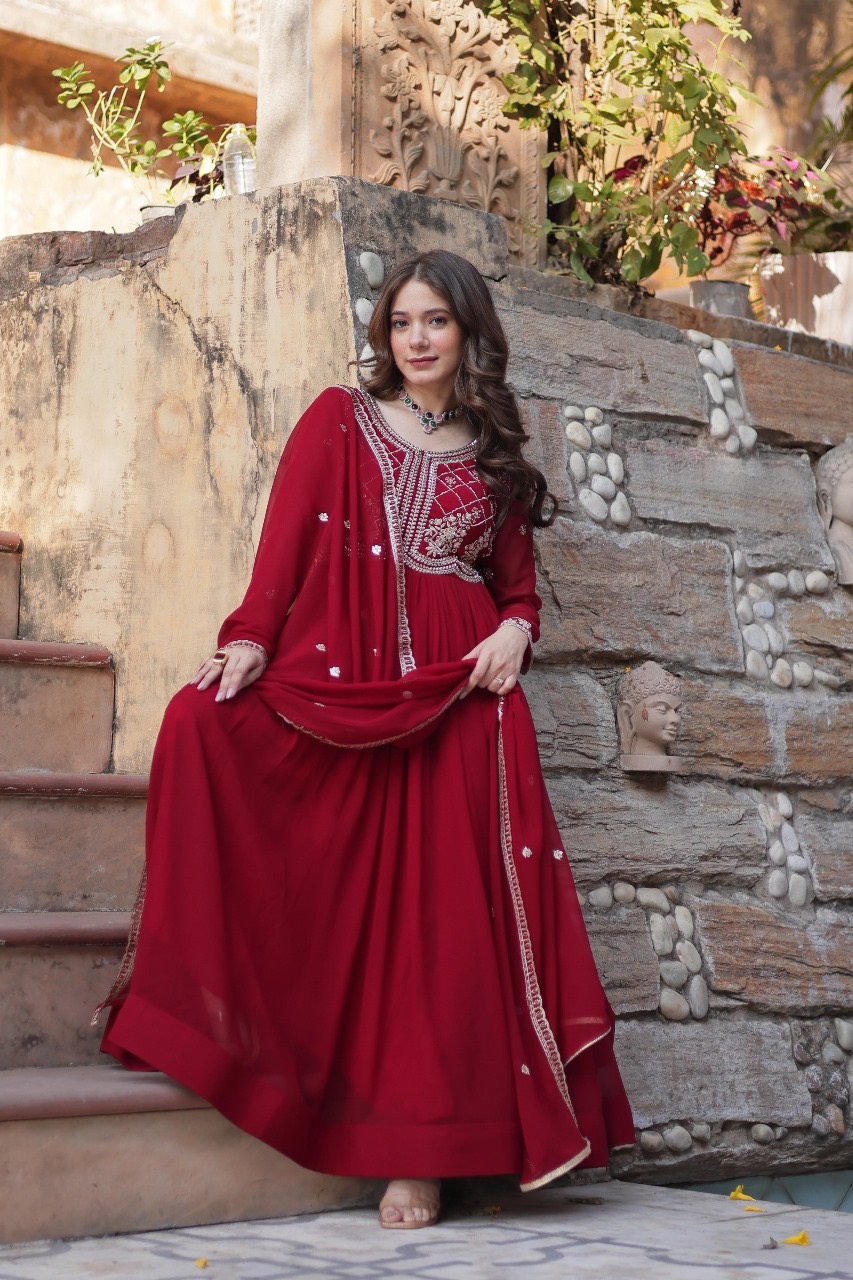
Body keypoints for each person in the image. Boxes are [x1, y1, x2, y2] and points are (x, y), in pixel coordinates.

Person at [97, 250, 634, 1230]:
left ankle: (419, 1159)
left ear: (467, 332)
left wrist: (514, 632)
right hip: (348, 685)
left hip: (461, 699)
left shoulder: (494, 449)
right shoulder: (338, 420)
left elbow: (516, 591)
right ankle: (212, 1032)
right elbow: (281, 555)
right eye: (400, 322)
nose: (416, 339)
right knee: (199, 724)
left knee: (438, 932)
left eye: (435, 321)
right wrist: (248, 641)